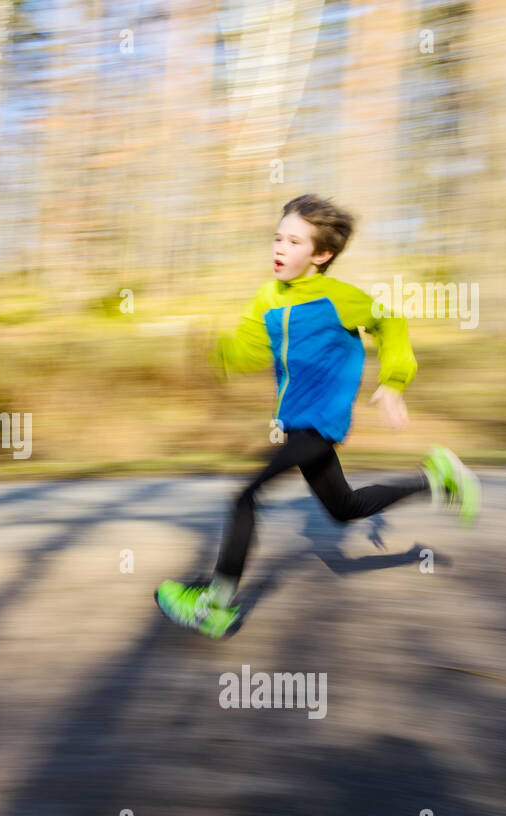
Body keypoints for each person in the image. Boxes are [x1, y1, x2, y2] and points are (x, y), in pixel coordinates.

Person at [155, 194, 480, 639]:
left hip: (321, 423)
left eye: (293, 241)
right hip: (294, 423)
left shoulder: (339, 298)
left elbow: (391, 322)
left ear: (321, 255)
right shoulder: (266, 298)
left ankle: (218, 602)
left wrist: (394, 382)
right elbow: (250, 348)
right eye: (277, 238)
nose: (279, 248)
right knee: (345, 509)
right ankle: (437, 478)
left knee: (244, 497)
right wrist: (214, 350)